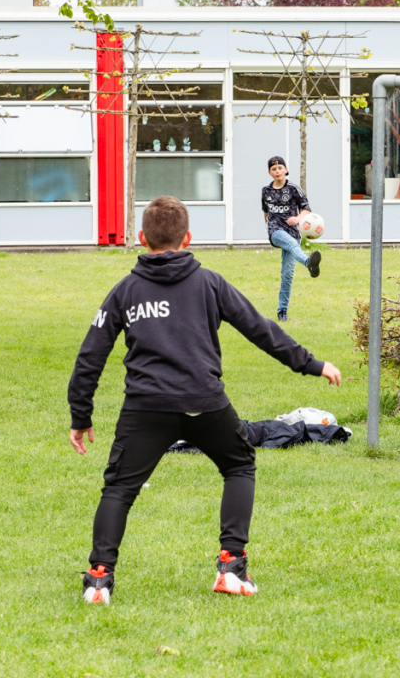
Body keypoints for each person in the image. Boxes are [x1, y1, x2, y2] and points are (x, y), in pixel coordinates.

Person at [68, 195, 342, 605]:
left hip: (146, 407)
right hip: (204, 402)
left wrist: (81, 415)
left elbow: (91, 354)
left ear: (142, 238)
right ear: (188, 238)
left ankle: (99, 579)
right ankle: (232, 568)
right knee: (238, 465)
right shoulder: (209, 282)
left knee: (120, 488)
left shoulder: (125, 291)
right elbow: (260, 328)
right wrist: (311, 364)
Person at [262, 155, 321, 321]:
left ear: (286, 169)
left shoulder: (294, 188)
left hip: (293, 232)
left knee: (287, 273)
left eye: (280, 168)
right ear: (270, 173)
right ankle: (308, 262)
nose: (277, 171)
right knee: (291, 244)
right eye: (273, 169)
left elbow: (306, 209)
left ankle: (282, 311)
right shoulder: (266, 191)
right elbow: (266, 212)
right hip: (276, 231)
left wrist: (298, 218)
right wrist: (268, 228)